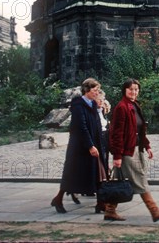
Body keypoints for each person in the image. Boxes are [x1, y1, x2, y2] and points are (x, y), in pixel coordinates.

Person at [108, 78, 159, 222]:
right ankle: (154, 210)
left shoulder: (134, 105)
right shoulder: (121, 107)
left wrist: (147, 145)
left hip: (136, 148)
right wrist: (117, 155)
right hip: (127, 151)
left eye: (136, 89)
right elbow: (116, 134)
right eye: (131, 89)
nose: (134, 92)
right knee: (140, 178)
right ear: (125, 90)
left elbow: (139, 129)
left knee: (119, 179)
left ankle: (110, 210)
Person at [51, 78, 106, 214]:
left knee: (98, 172)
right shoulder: (78, 105)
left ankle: (101, 203)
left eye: (97, 90)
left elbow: (96, 124)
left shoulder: (93, 105)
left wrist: (100, 143)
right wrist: (90, 146)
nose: (96, 93)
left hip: (94, 143)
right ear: (87, 90)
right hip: (80, 148)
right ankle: (58, 199)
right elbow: (81, 127)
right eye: (94, 90)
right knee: (72, 174)